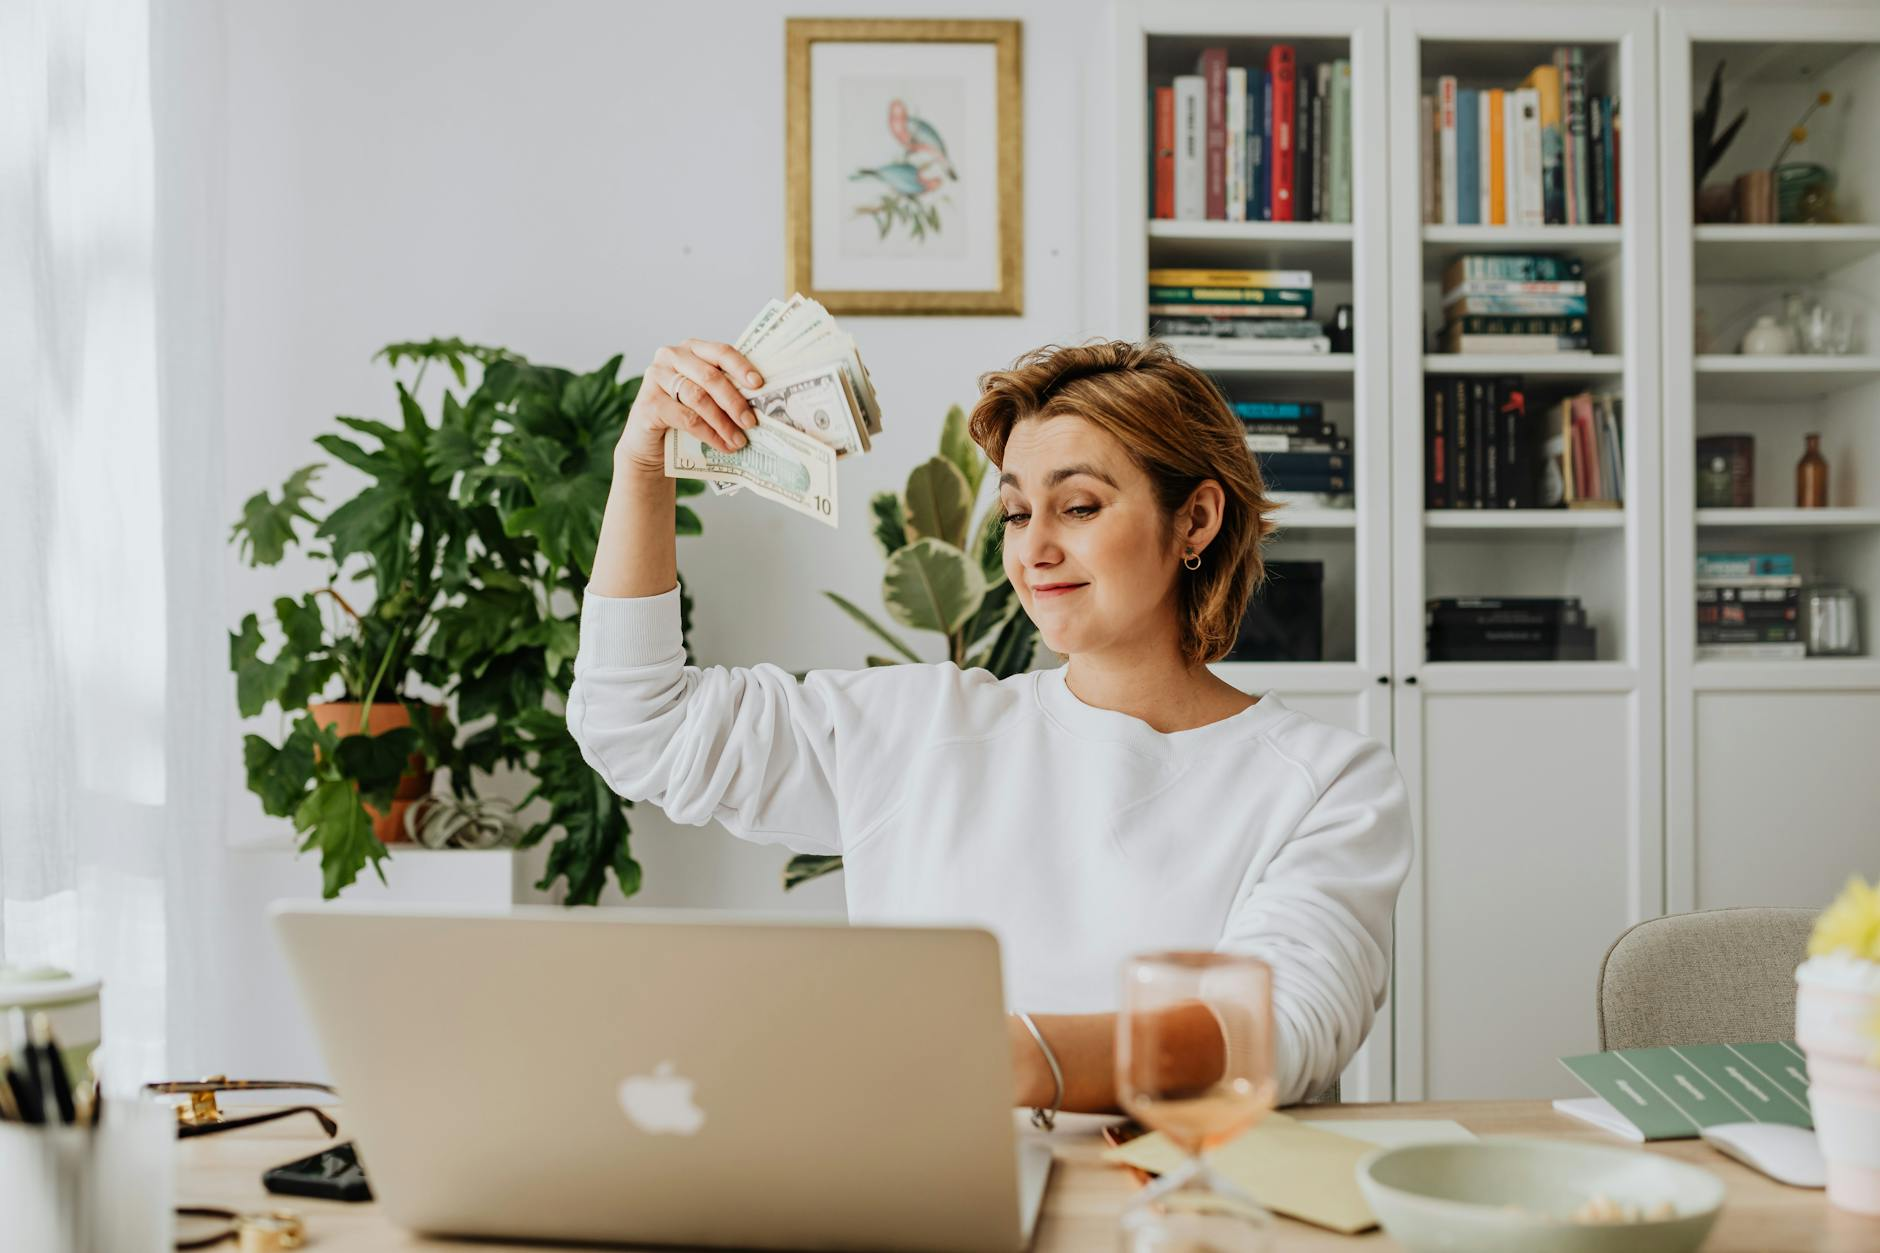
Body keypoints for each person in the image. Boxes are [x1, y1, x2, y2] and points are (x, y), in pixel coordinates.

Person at [567, 335, 1412, 1117]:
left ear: (1195, 519)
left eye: (1078, 506)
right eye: (1015, 513)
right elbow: (639, 724)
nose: (1034, 547)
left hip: (1179, 1213)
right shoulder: (918, 729)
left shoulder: (1327, 781)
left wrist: (1007, 1055)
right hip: (933, 1206)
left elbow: (1284, 1028)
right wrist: (642, 470)